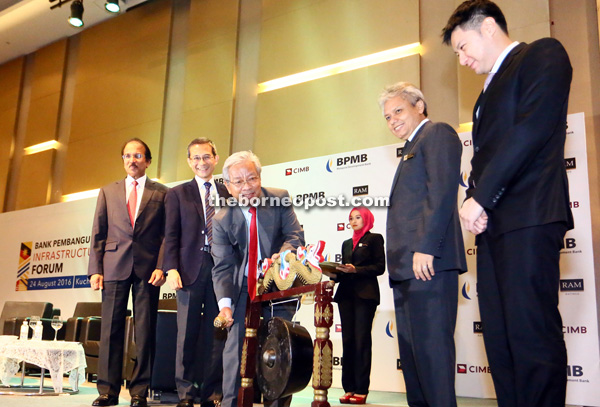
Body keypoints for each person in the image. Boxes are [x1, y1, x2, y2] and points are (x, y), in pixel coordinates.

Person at [441, 1, 573, 406]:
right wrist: (474, 197)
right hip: (494, 228)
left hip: (531, 218)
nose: (462, 59)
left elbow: (530, 131)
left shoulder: (542, 54)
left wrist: (481, 197)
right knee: (500, 340)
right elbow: (488, 156)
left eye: (463, 47)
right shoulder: (485, 92)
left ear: (489, 27)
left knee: (531, 336)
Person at [381, 82, 467, 407]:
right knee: (415, 363)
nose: (393, 121)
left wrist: (426, 247)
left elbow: (442, 192)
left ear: (419, 105)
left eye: (398, 111)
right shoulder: (409, 149)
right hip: (406, 271)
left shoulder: (438, 134)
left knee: (433, 359)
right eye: (388, 117)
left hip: (429, 264)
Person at [211, 150, 305, 407]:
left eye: (251, 178)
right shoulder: (221, 220)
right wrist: (226, 307)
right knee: (235, 351)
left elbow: (295, 237)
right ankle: (232, 403)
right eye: (238, 182)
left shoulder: (280, 198)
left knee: (280, 350)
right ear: (228, 187)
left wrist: (283, 257)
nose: (246, 187)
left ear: (259, 178)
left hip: (278, 283)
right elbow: (222, 267)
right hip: (243, 287)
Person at [88, 138, 168, 407]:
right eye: (127, 156)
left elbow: (168, 235)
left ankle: (139, 392)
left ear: (148, 160)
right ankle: (108, 391)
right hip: (113, 266)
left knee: (145, 332)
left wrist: (162, 265)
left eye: (138, 155)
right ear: (122, 160)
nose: (132, 160)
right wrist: (95, 270)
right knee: (110, 330)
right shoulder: (107, 192)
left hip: (149, 270)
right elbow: (98, 233)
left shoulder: (162, 193)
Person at [164, 138, 230, 407]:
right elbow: (170, 235)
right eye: (196, 158)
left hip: (222, 269)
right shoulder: (177, 194)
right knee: (187, 333)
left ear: (215, 158)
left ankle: (213, 393)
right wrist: (170, 268)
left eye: (206, 156)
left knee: (217, 332)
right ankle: (186, 393)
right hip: (189, 270)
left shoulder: (229, 191)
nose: (201, 162)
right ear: (189, 161)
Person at [333, 207, 385, 405]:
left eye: (357, 218)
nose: (353, 221)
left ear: (366, 219)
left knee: (361, 340)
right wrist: (333, 275)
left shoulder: (375, 239)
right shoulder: (346, 244)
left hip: (365, 295)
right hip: (346, 296)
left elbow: (379, 267)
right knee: (348, 341)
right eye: (351, 218)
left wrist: (357, 270)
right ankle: (349, 388)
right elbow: (345, 270)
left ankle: (362, 389)